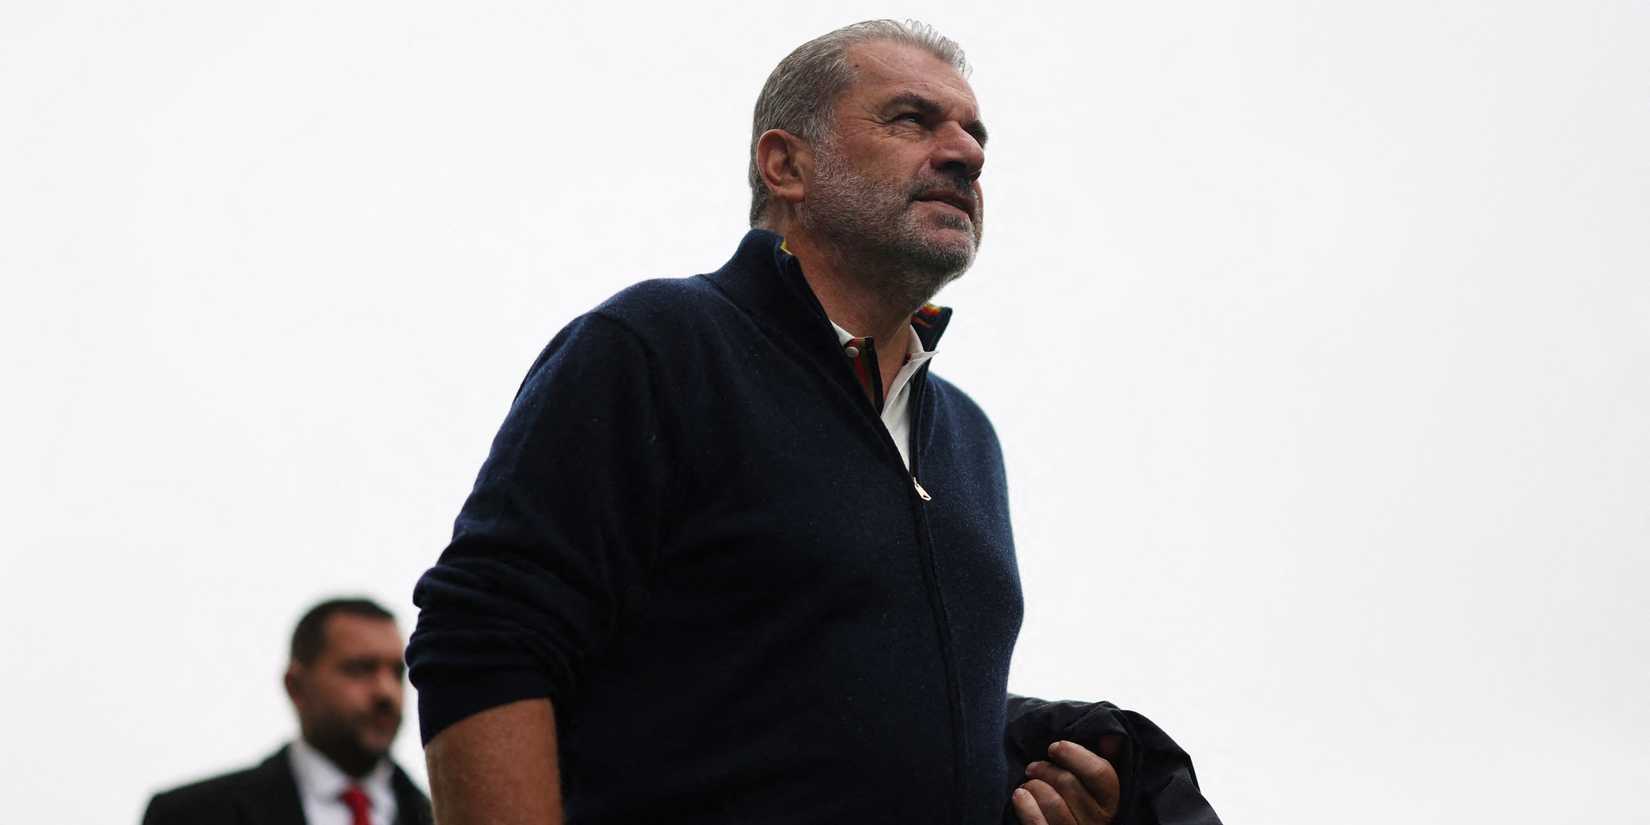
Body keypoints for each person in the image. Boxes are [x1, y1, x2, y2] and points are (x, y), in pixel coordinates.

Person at [406, 19, 1221, 825]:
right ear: (785, 163)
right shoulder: (659, 347)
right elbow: (488, 633)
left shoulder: (970, 440)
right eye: (912, 119)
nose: (966, 153)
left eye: (976, 136)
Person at [142, 598, 433, 825]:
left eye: (396, 673)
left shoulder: (453, 816)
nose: (385, 691)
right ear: (296, 687)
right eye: (359, 669)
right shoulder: (190, 816)